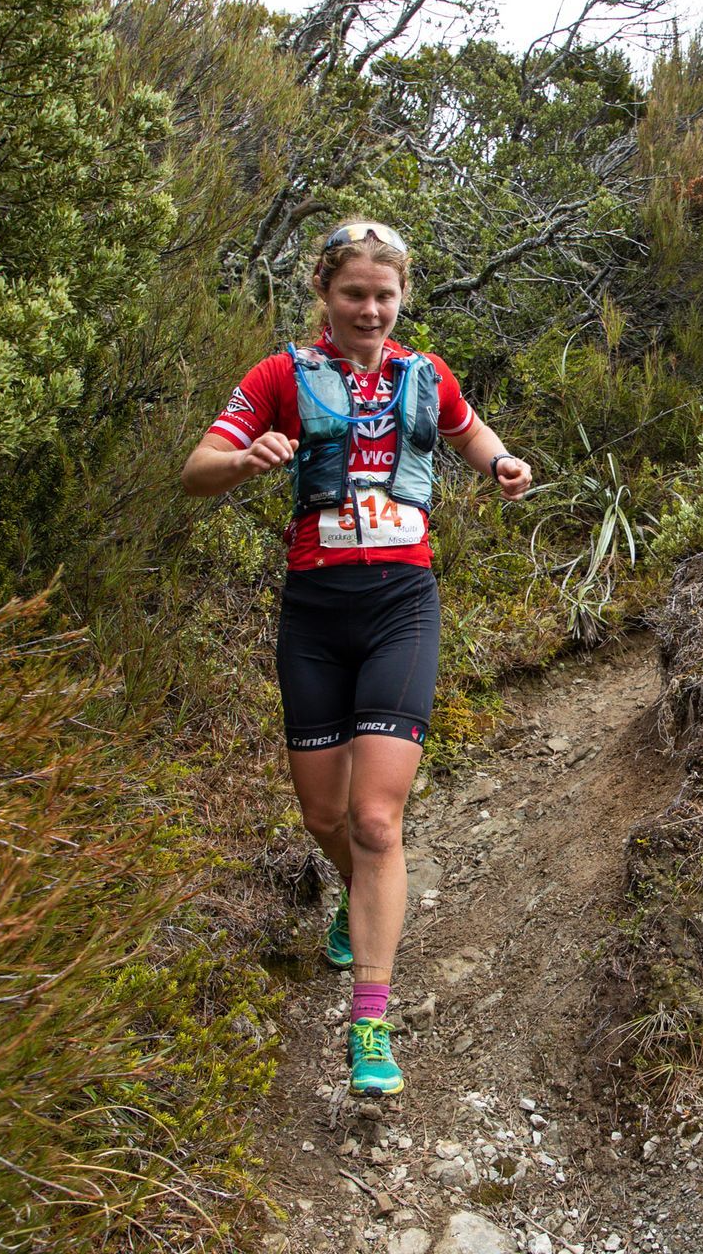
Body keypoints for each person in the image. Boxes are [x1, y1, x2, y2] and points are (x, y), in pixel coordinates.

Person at [180, 219, 532, 1096]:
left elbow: (469, 432)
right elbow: (197, 468)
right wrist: (245, 459)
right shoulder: (280, 376)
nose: (370, 310)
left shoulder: (426, 373)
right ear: (324, 294)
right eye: (354, 294)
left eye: (385, 295)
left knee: (377, 821)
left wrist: (502, 462)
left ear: (402, 296)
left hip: (402, 606)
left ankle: (369, 1023)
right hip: (314, 613)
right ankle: (356, 891)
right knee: (325, 815)